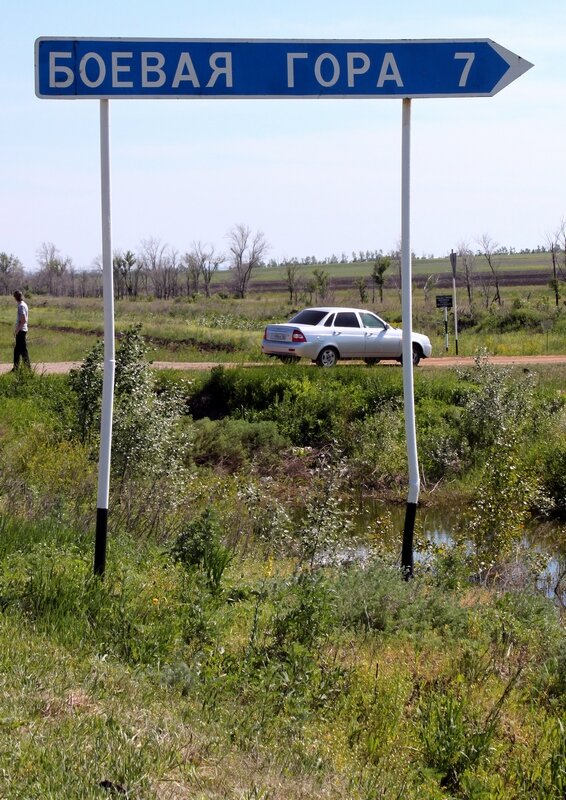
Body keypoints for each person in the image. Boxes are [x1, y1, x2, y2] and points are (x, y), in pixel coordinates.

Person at [13, 290, 31, 370]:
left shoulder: (21, 306)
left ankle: (28, 368)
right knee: (17, 350)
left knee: (23, 350)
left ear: (16, 297)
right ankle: (16, 368)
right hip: (22, 330)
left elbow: (23, 320)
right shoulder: (24, 304)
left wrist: (17, 330)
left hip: (21, 331)